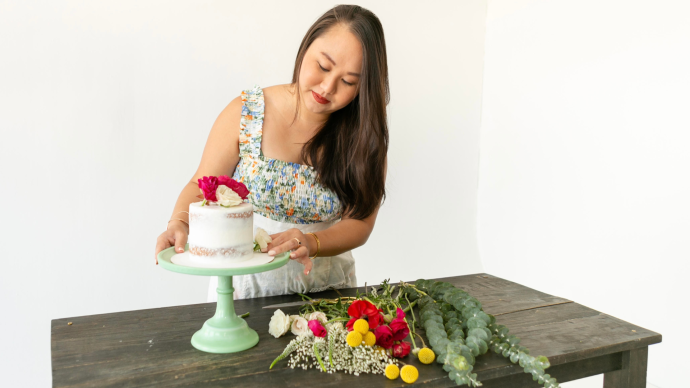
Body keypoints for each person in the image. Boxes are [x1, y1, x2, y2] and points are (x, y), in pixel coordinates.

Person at [154, 5, 389, 300]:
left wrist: (311, 241)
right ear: (306, 48)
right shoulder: (248, 111)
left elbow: (360, 223)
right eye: (324, 67)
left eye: (348, 82)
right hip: (242, 290)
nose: (327, 87)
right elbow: (200, 184)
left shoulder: (364, 136)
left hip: (328, 293)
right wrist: (180, 221)